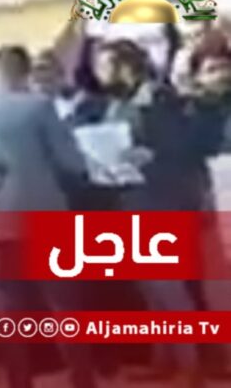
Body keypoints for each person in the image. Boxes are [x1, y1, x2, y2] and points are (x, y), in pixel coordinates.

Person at [0, 46, 96, 388]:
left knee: (9, 304)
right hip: (45, 211)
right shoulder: (38, 106)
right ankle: (82, 378)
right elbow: (70, 161)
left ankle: (19, 379)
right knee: (63, 303)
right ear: (25, 71)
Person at [74, 39, 208, 387]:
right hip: (129, 197)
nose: (100, 74)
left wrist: (150, 153)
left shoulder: (157, 98)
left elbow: (179, 146)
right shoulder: (118, 103)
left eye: (106, 66)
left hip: (159, 200)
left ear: (125, 65)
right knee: (150, 288)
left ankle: (191, 364)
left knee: (168, 286)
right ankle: (164, 358)